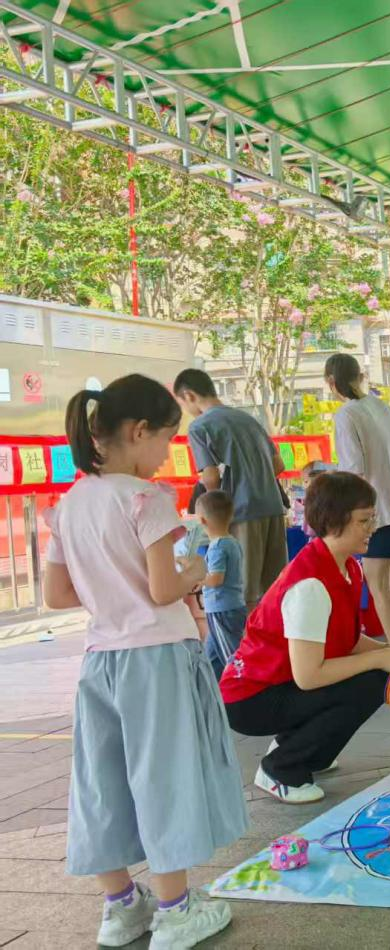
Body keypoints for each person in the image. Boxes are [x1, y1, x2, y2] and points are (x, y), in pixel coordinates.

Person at [43, 374, 246, 948]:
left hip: (100, 662)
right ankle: (176, 910)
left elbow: (56, 595)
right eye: (166, 439)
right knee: (163, 776)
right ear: (138, 432)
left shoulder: (69, 504)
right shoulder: (145, 498)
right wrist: (192, 572)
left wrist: (109, 589)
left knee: (101, 780)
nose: (166, 453)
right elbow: (162, 589)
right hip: (156, 657)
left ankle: (121, 907)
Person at [221, 471, 390, 803]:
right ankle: (281, 768)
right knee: (371, 680)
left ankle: (299, 748)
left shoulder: (347, 567)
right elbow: (309, 676)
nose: (372, 528)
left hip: (278, 683)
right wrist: (379, 658)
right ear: (334, 521)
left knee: (381, 674)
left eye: (372, 519)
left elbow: (347, 640)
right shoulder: (311, 585)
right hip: (251, 698)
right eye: (363, 521)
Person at [324, 354, 390, 648]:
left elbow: (354, 470)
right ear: (360, 376)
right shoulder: (381, 406)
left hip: (380, 512)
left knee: (380, 585)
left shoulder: (346, 415)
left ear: (331, 382)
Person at [174, 369, 287, 609]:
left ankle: (248, 635)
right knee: (276, 590)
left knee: (244, 593)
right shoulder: (249, 419)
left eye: (183, 404)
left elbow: (211, 477)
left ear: (189, 395)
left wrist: (210, 510)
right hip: (273, 507)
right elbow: (279, 465)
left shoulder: (200, 426)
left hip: (240, 512)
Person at [196, 489, 247, 679]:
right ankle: (217, 687)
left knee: (231, 657)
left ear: (202, 521)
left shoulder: (217, 547)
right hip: (229, 607)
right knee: (212, 656)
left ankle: (241, 685)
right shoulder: (232, 542)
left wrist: (198, 578)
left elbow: (216, 579)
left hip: (221, 610)